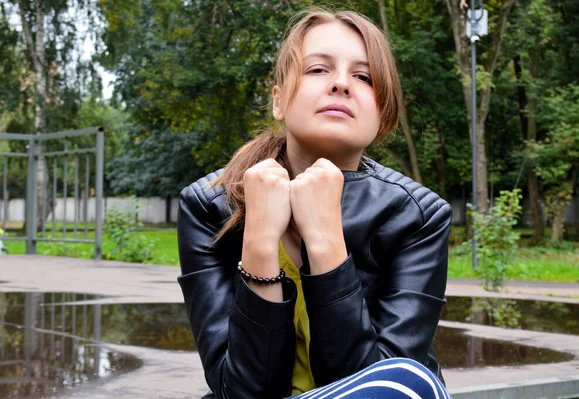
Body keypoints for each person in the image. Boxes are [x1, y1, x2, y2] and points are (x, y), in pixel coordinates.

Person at [178, 7, 452, 399]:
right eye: (318, 69)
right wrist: (258, 241)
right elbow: (241, 391)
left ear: (383, 114)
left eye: (364, 76)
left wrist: (325, 242)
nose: (341, 84)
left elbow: (379, 388)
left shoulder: (416, 217)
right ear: (278, 101)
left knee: (412, 383)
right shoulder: (208, 206)